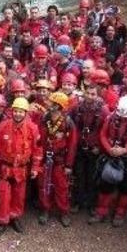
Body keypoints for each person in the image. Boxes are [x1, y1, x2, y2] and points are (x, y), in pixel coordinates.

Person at [89, 95, 127, 227]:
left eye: (125, 116)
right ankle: (101, 211)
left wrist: (126, 149)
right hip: (111, 155)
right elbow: (103, 134)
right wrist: (109, 149)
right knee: (105, 184)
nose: (122, 118)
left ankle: (120, 214)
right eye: (120, 115)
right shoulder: (111, 117)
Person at [0, 98, 43, 238]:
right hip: (5, 168)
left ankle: (14, 217)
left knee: (19, 196)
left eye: (21, 111)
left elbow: (37, 149)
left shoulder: (33, 128)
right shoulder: (3, 126)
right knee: (3, 196)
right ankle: (2, 221)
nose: (18, 114)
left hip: (22, 169)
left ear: (25, 112)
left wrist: (35, 168)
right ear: (12, 111)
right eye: (16, 111)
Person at [36, 92, 78, 227]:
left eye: (51, 102)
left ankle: (64, 211)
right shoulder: (44, 119)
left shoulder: (68, 123)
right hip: (44, 158)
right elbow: (39, 140)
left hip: (60, 160)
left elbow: (72, 145)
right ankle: (45, 209)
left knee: (62, 187)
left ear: (58, 106)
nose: (48, 103)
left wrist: (69, 165)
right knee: (43, 186)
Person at [71, 86, 108, 213]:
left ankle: (92, 204)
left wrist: (100, 147)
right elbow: (70, 125)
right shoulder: (77, 108)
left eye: (93, 94)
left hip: (94, 149)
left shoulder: (103, 111)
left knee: (93, 177)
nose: (90, 96)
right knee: (79, 176)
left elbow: (106, 131)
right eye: (87, 93)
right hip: (80, 147)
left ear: (97, 95)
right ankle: (78, 201)